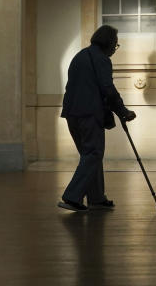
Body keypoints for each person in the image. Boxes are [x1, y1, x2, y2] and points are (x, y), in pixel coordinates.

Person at [58, 25, 136, 212]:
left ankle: (97, 197)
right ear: (108, 43)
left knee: (91, 155)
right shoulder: (101, 60)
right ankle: (72, 197)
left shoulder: (80, 56)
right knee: (93, 154)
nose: (114, 49)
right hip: (89, 114)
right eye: (115, 45)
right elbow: (107, 89)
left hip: (72, 113)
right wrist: (123, 111)